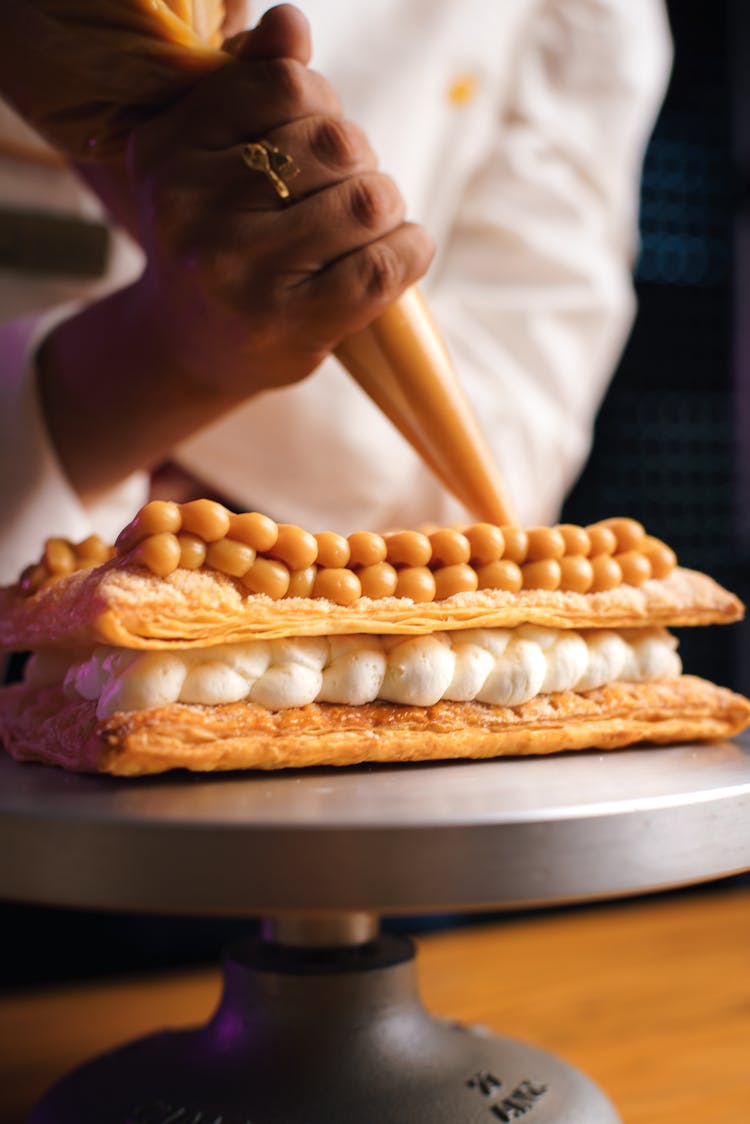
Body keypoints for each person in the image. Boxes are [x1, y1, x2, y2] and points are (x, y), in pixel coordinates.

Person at [0, 0, 672, 585]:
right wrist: (176, 357)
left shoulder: (579, 14)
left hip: (345, 600)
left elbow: (507, 461)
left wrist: (197, 355)